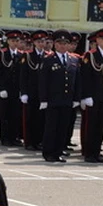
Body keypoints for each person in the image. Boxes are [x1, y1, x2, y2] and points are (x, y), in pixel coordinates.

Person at [38, 29, 81, 163]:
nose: (62, 46)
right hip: (53, 100)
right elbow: (43, 81)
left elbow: (77, 81)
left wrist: (76, 98)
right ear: (55, 44)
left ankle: (58, 151)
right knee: (51, 127)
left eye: (65, 43)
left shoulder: (74, 59)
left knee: (63, 128)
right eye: (59, 43)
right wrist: (43, 99)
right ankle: (48, 152)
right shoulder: (48, 59)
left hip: (67, 100)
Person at [79, 28, 103, 163]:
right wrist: (86, 96)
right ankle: (89, 153)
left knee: (101, 126)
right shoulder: (90, 55)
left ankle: (97, 151)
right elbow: (85, 77)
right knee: (91, 125)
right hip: (93, 97)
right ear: (98, 40)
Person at [19, 30, 48, 151]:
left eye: (43, 41)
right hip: (31, 91)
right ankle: (29, 142)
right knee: (30, 118)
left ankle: (40, 141)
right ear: (34, 42)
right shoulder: (28, 55)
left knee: (42, 119)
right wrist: (24, 92)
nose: (41, 44)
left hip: (44, 93)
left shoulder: (48, 55)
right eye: (39, 41)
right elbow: (23, 75)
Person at [0, 30, 23, 146]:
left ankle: (14, 137)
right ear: (8, 41)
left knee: (15, 114)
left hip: (16, 89)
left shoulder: (21, 55)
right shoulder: (1, 54)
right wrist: (1, 88)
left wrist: (22, 90)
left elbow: (22, 74)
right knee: (4, 114)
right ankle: (4, 137)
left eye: (17, 41)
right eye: (12, 41)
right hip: (5, 89)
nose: (15, 43)